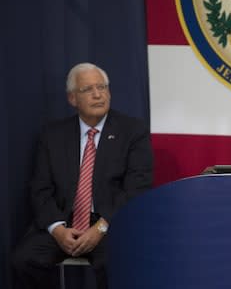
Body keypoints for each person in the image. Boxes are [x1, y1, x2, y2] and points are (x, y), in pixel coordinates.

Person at [12, 63, 153, 289]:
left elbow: (137, 188)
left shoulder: (133, 131)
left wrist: (100, 229)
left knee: (117, 264)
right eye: (88, 89)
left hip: (110, 224)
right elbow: (40, 189)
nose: (98, 95)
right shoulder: (52, 135)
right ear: (72, 99)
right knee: (24, 261)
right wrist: (57, 230)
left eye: (102, 87)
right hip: (64, 223)